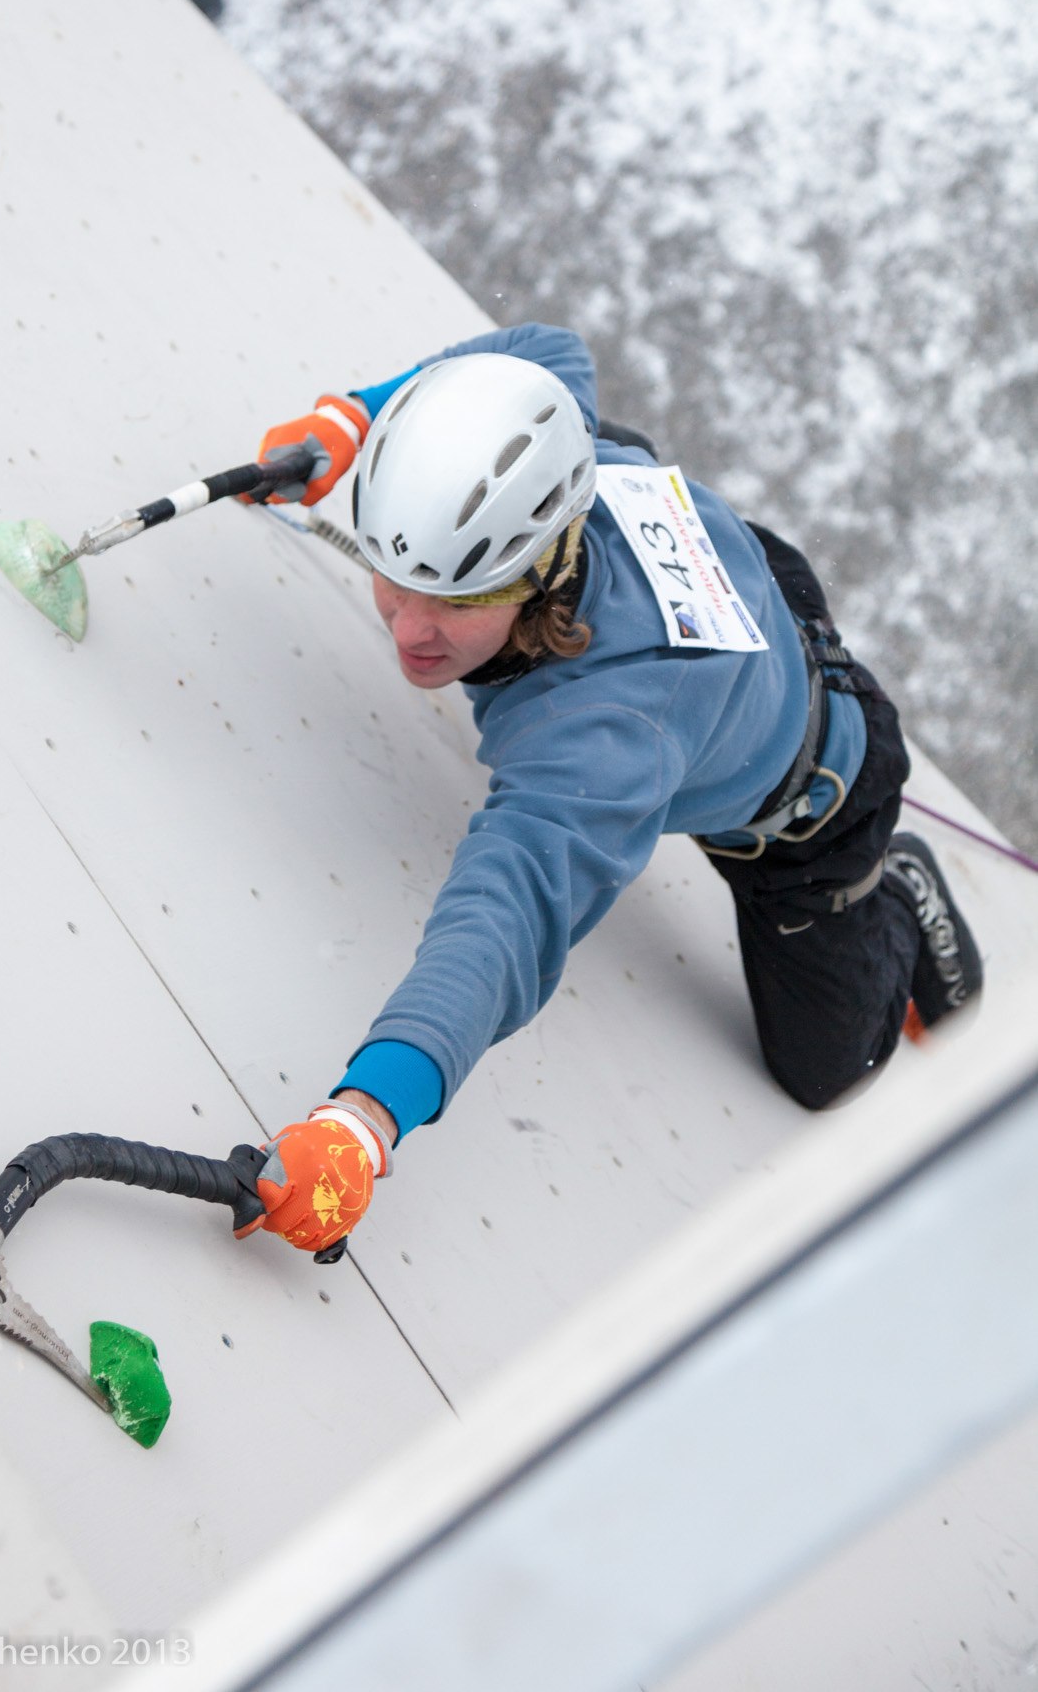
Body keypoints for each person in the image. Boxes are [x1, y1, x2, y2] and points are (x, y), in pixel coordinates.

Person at [233, 323, 983, 1261]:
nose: (410, 630)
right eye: (397, 577)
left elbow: (507, 916)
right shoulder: (573, 457)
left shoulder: (606, 732)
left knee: (829, 1072)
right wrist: (354, 422)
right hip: (755, 596)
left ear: (543, 564)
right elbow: (546, 354)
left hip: (818, 809)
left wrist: (365, 1119)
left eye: (460, 600)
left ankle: (895, 895)